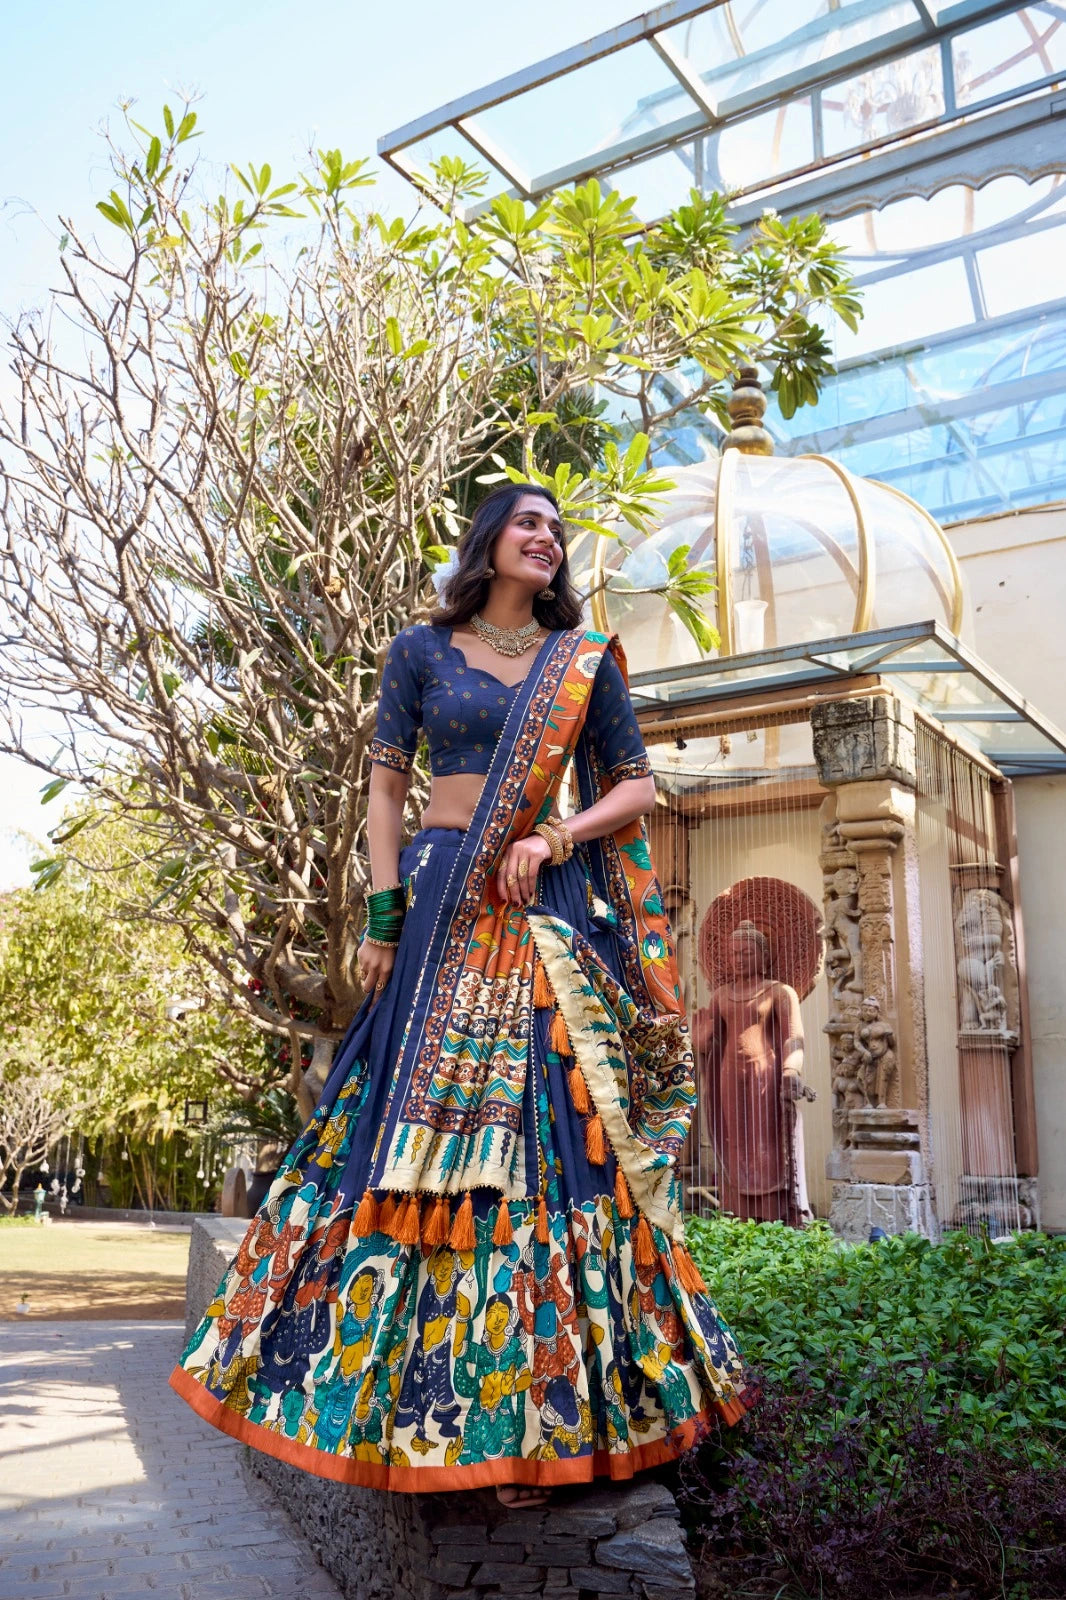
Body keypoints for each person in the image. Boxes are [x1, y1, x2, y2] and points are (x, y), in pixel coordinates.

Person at [171, 483, 750, 1499]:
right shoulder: (420, 652)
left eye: (555, 530)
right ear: (487, 542)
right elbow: (386, 790)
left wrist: (553, 833)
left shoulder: (583, 663)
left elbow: (635, 784)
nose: (546, 539)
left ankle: (537, 1419)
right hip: (439, 901)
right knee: (403, 1127)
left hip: (538, 900)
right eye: (527, 523)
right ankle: (395, 1416)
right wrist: (383, 918)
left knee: (542, 1124)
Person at [693, 922, 810, 1227]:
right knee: (735, 1141)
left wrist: (790, 1069)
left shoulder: (780, 992)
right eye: (733, 954)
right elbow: (713, 1040)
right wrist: (702, 1042)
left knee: (766, 1141)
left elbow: (794, 1037)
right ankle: (737, 1211)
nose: (739, 960)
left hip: (765, 1073)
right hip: (729, 1074)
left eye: (746, 953)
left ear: (763, 955)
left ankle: (775, 1212)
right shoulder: (720, 996)